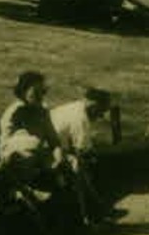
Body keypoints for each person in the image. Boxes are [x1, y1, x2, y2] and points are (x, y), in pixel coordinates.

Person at [52, 88, 125, 222]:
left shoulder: (75, 107)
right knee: (81, 168)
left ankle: (97, 209)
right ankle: (89, 214)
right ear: (94, 105)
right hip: (49, 152)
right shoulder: (81, 118)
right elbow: (83, 151)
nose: (101, 116)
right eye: (101, 111)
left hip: (54, 147)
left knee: (82, 166)